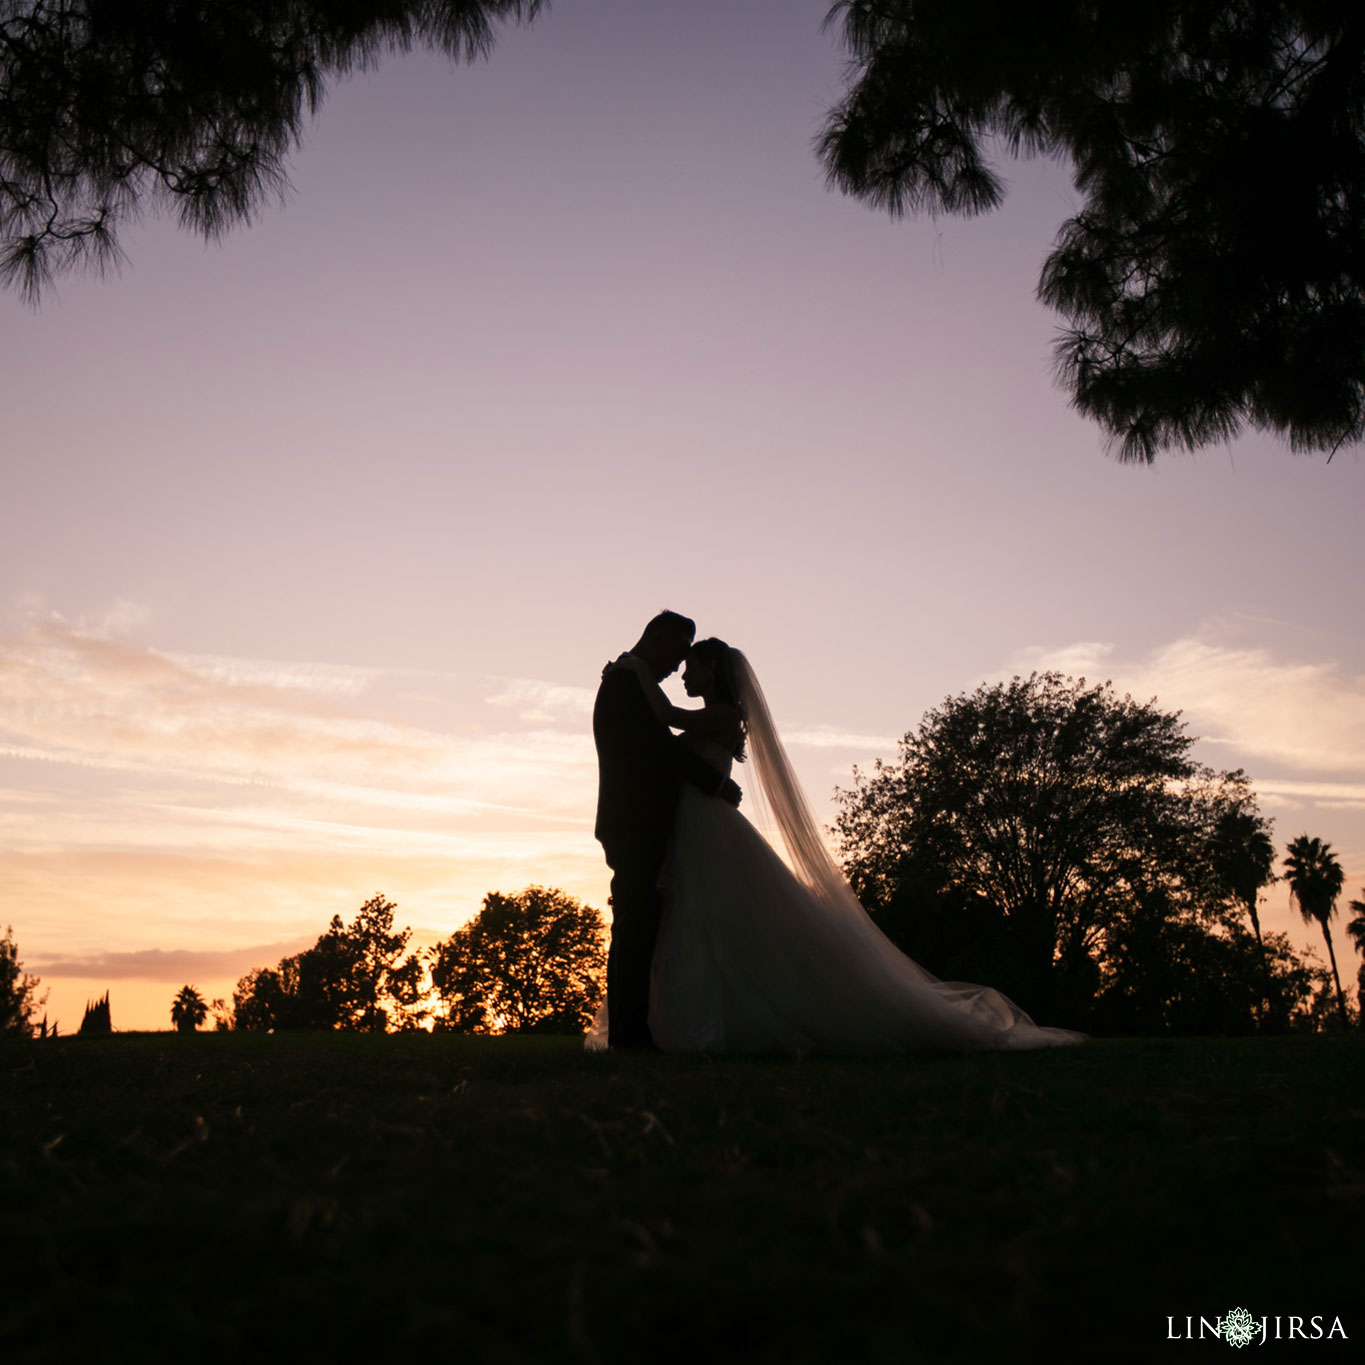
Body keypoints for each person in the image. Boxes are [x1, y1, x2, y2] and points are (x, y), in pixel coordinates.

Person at [586, 638, 1085, 1055]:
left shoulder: (718, 713)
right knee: (690, 923)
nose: (682, 674)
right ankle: (678, 1021)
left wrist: (633, 670)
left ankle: (714, 1020)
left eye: (690, 666)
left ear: (712, 667)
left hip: (707, 830)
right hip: (693, 828)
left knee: (713, 921)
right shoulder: (714, 713)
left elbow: (666, 720)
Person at [591, 611, 740, 1049]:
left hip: (649, 821)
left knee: (641, 927)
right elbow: (656, 746)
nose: (677, 669)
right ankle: (630, 1033)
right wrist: (714, 781)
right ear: (657, 640)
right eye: (676, 656)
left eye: (686, 662)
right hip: (634, 820)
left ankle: (633, 1031)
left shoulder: (633, 681)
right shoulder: (626, 682)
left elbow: (665, 734)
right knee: (635, 928)